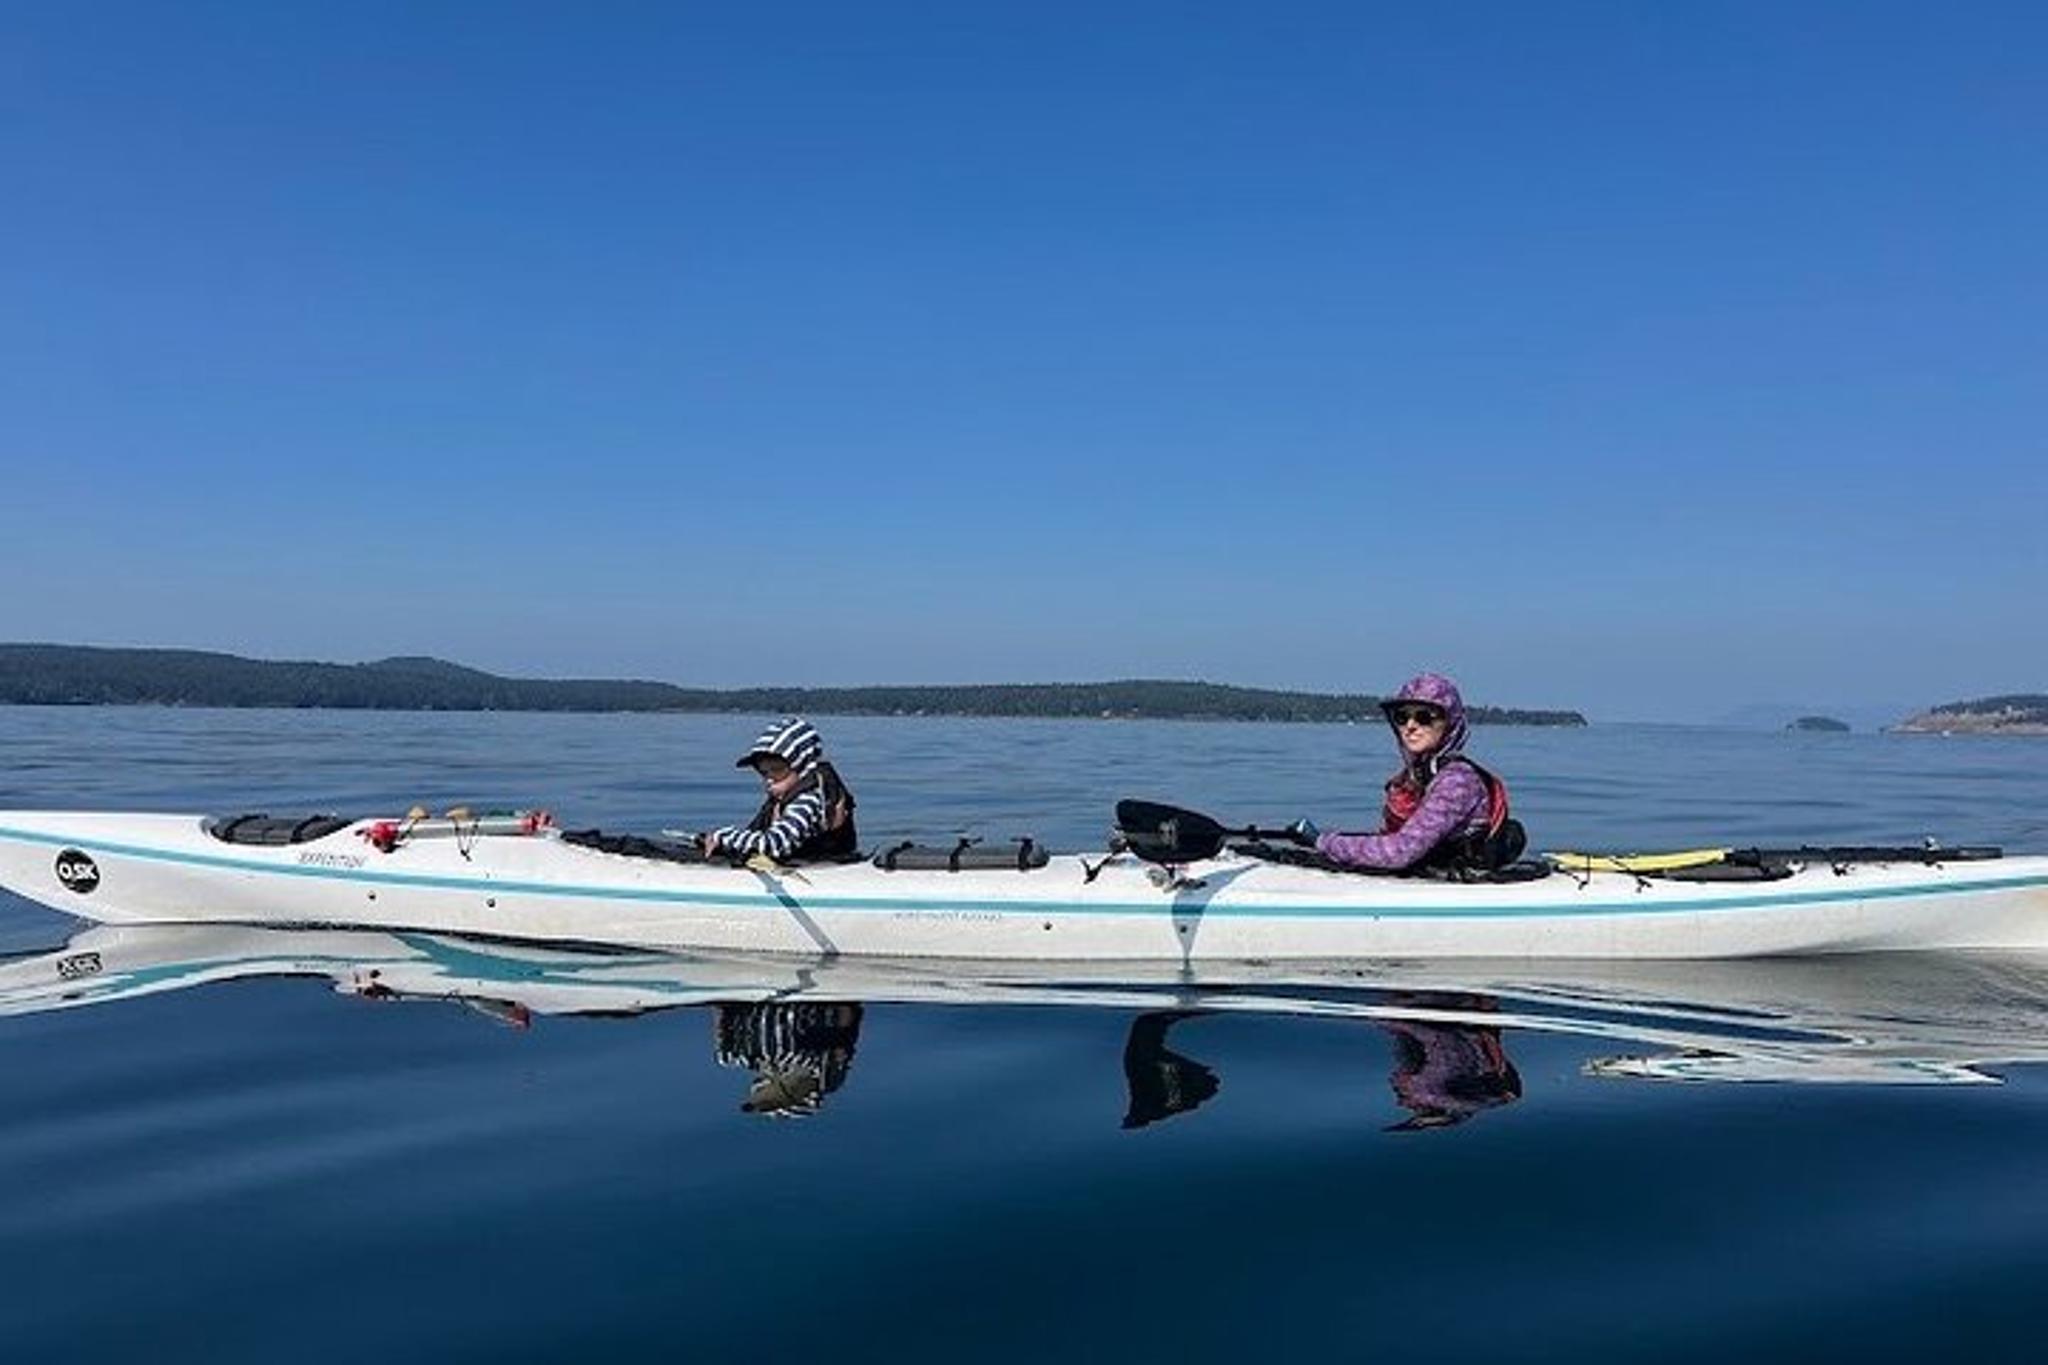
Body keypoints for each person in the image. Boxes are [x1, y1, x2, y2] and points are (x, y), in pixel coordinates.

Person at [1306, 673, 1523, 874]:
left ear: (1449, 724)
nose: (1410, 726)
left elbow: (1399, 851)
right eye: (1402, 717)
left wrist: (1322, 842)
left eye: (1424, 717)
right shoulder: (1414, 778)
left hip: (1459, 887)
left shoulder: (1458, 781)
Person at [698, 717, 859, 863]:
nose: (769, 779)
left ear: (802, 767)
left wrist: (724, 836)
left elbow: (774, 844)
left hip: (821, 874)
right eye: (763, 772)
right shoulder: (783, 797)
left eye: (777, 770)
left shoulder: (808, 801)